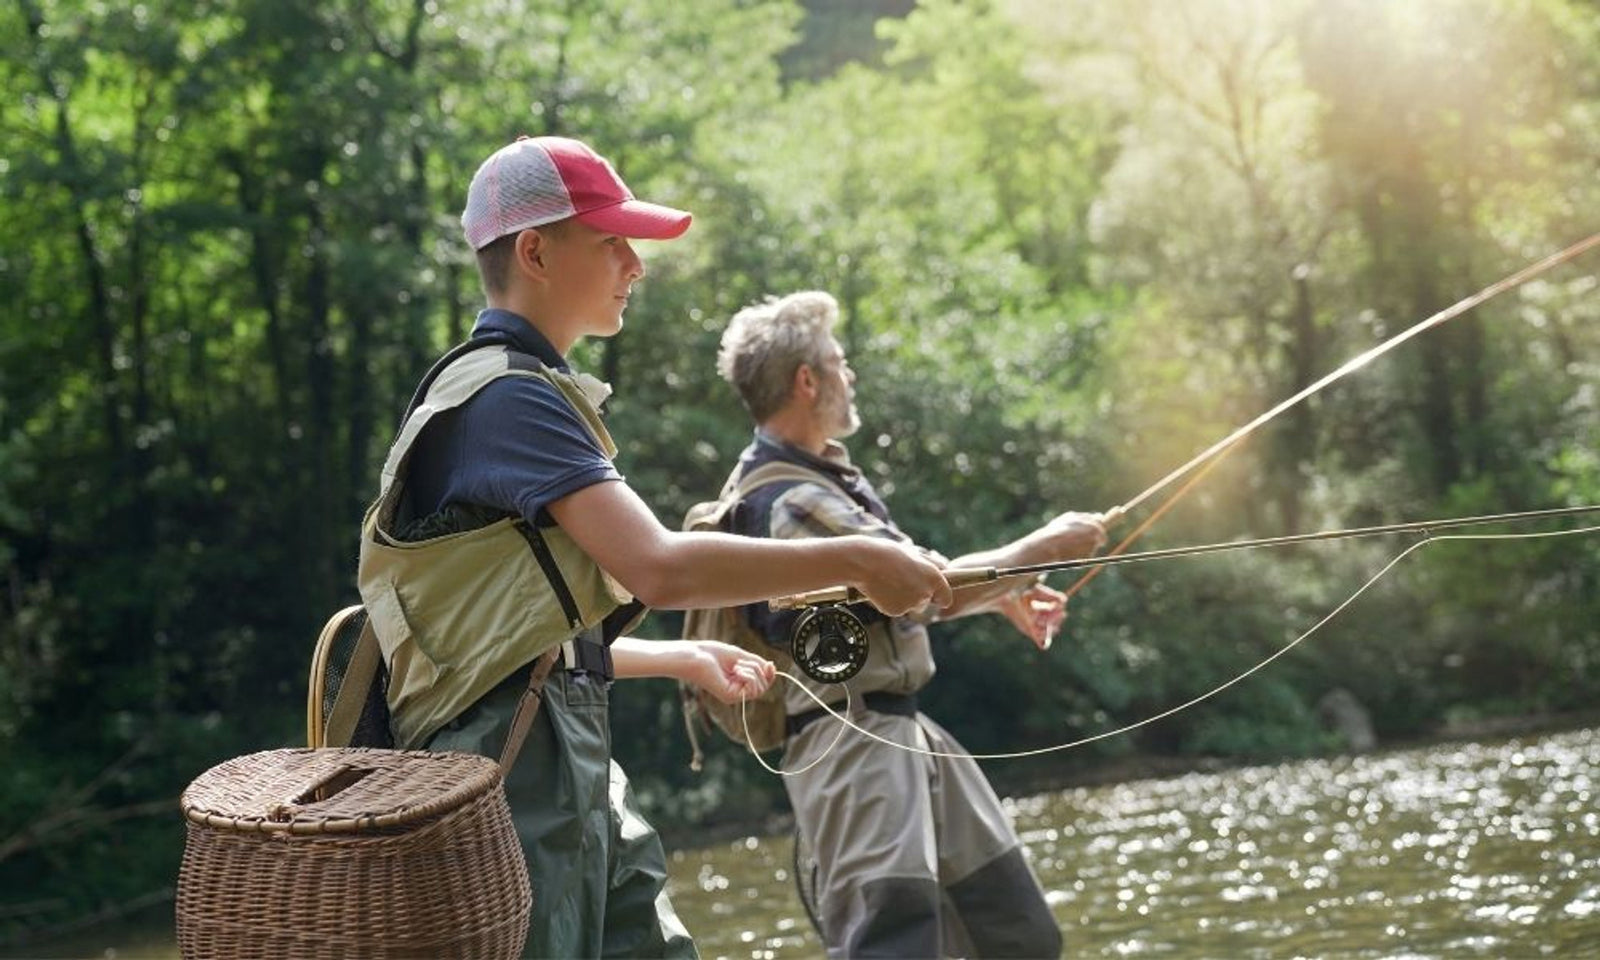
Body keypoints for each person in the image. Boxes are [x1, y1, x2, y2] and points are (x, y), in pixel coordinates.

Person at [356, 138, 953, 959]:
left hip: (558, 748)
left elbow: (525, 645)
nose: (635, 264)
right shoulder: (507, 399)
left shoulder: (521, 390)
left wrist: (683, 660)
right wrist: (858, 559)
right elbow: (661, 567)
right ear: (535, 251)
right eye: (612, 242)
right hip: (511, 768)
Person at [715, 290, 1107, 958]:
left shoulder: (822, 483)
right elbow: (931, 589)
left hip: (905, 732)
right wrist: (1042, 547)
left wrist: (1002, 593)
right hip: (854, 746)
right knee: (892, 943)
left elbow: (912, 595)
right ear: (808, 381)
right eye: (841, 362)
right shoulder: (793, 499)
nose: (852, 375)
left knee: (1016, 933)